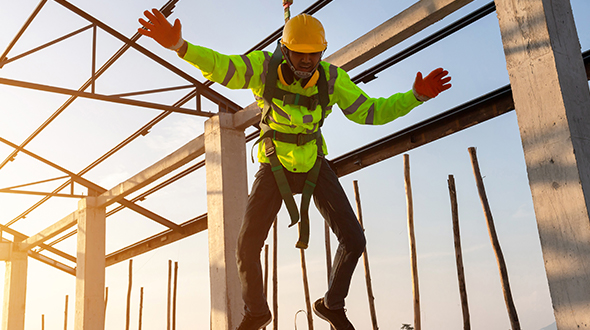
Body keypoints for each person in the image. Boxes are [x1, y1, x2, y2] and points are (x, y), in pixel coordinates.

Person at [138, 8, 451, 330]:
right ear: (284, 50)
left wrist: (415, 97)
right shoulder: (263, 68)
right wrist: (180, 46)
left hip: (314, 163)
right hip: (275, 164)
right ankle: (257, 312)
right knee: (246, 245)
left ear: (322, 52)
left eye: (313, 55)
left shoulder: (331, 78)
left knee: (354, 240)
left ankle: (332, 305)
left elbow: (368, 112)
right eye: (299, 55)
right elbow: (224, 68)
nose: (306, 61)